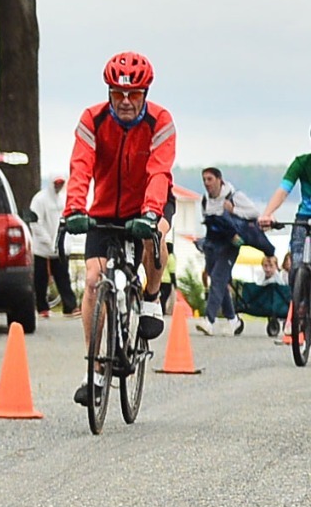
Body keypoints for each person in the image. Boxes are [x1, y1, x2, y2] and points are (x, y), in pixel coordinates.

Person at [61, 51, 174, 406]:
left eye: (134, 95)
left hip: (148, 204)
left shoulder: (160, 122)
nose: (125, 102)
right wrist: (74, 209)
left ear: (146, 94)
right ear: (109, 92)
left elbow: (159, 172)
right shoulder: (92, 120)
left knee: (156, 239)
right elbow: (80, 168)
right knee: (94, 281)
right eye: (118, 94)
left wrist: (152, 213)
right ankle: (94, 372)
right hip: (105, 210)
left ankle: (152, 299)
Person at [195, 166, 275, 334]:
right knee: (218, 279)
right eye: (204, 180)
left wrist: (234, 210)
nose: (206, 184)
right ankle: (233, 320)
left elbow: (254, 212)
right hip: (213, 243)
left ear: (219, 180)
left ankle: (209, 320)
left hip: (231, 243)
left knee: (218, 277)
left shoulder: (234, 196)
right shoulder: (205, 200)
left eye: (209, 179)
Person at [256, 132, 311, 346]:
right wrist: (267, 213)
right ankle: (300, 306)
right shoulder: (302, 163)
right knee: (296, 266)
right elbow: (284, 190)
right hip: (304, 219)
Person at [26, 172, 78, 316]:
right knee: (40, 280)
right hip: (42, 249)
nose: (59, 186)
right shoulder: (39, 200)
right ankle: (42, 308)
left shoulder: (62, 199)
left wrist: (64, 243)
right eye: (57, 183)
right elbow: (36, 222)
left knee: (63, 278)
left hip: (59, 248)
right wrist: (47, 241)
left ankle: (70, 306)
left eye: (61, 183)